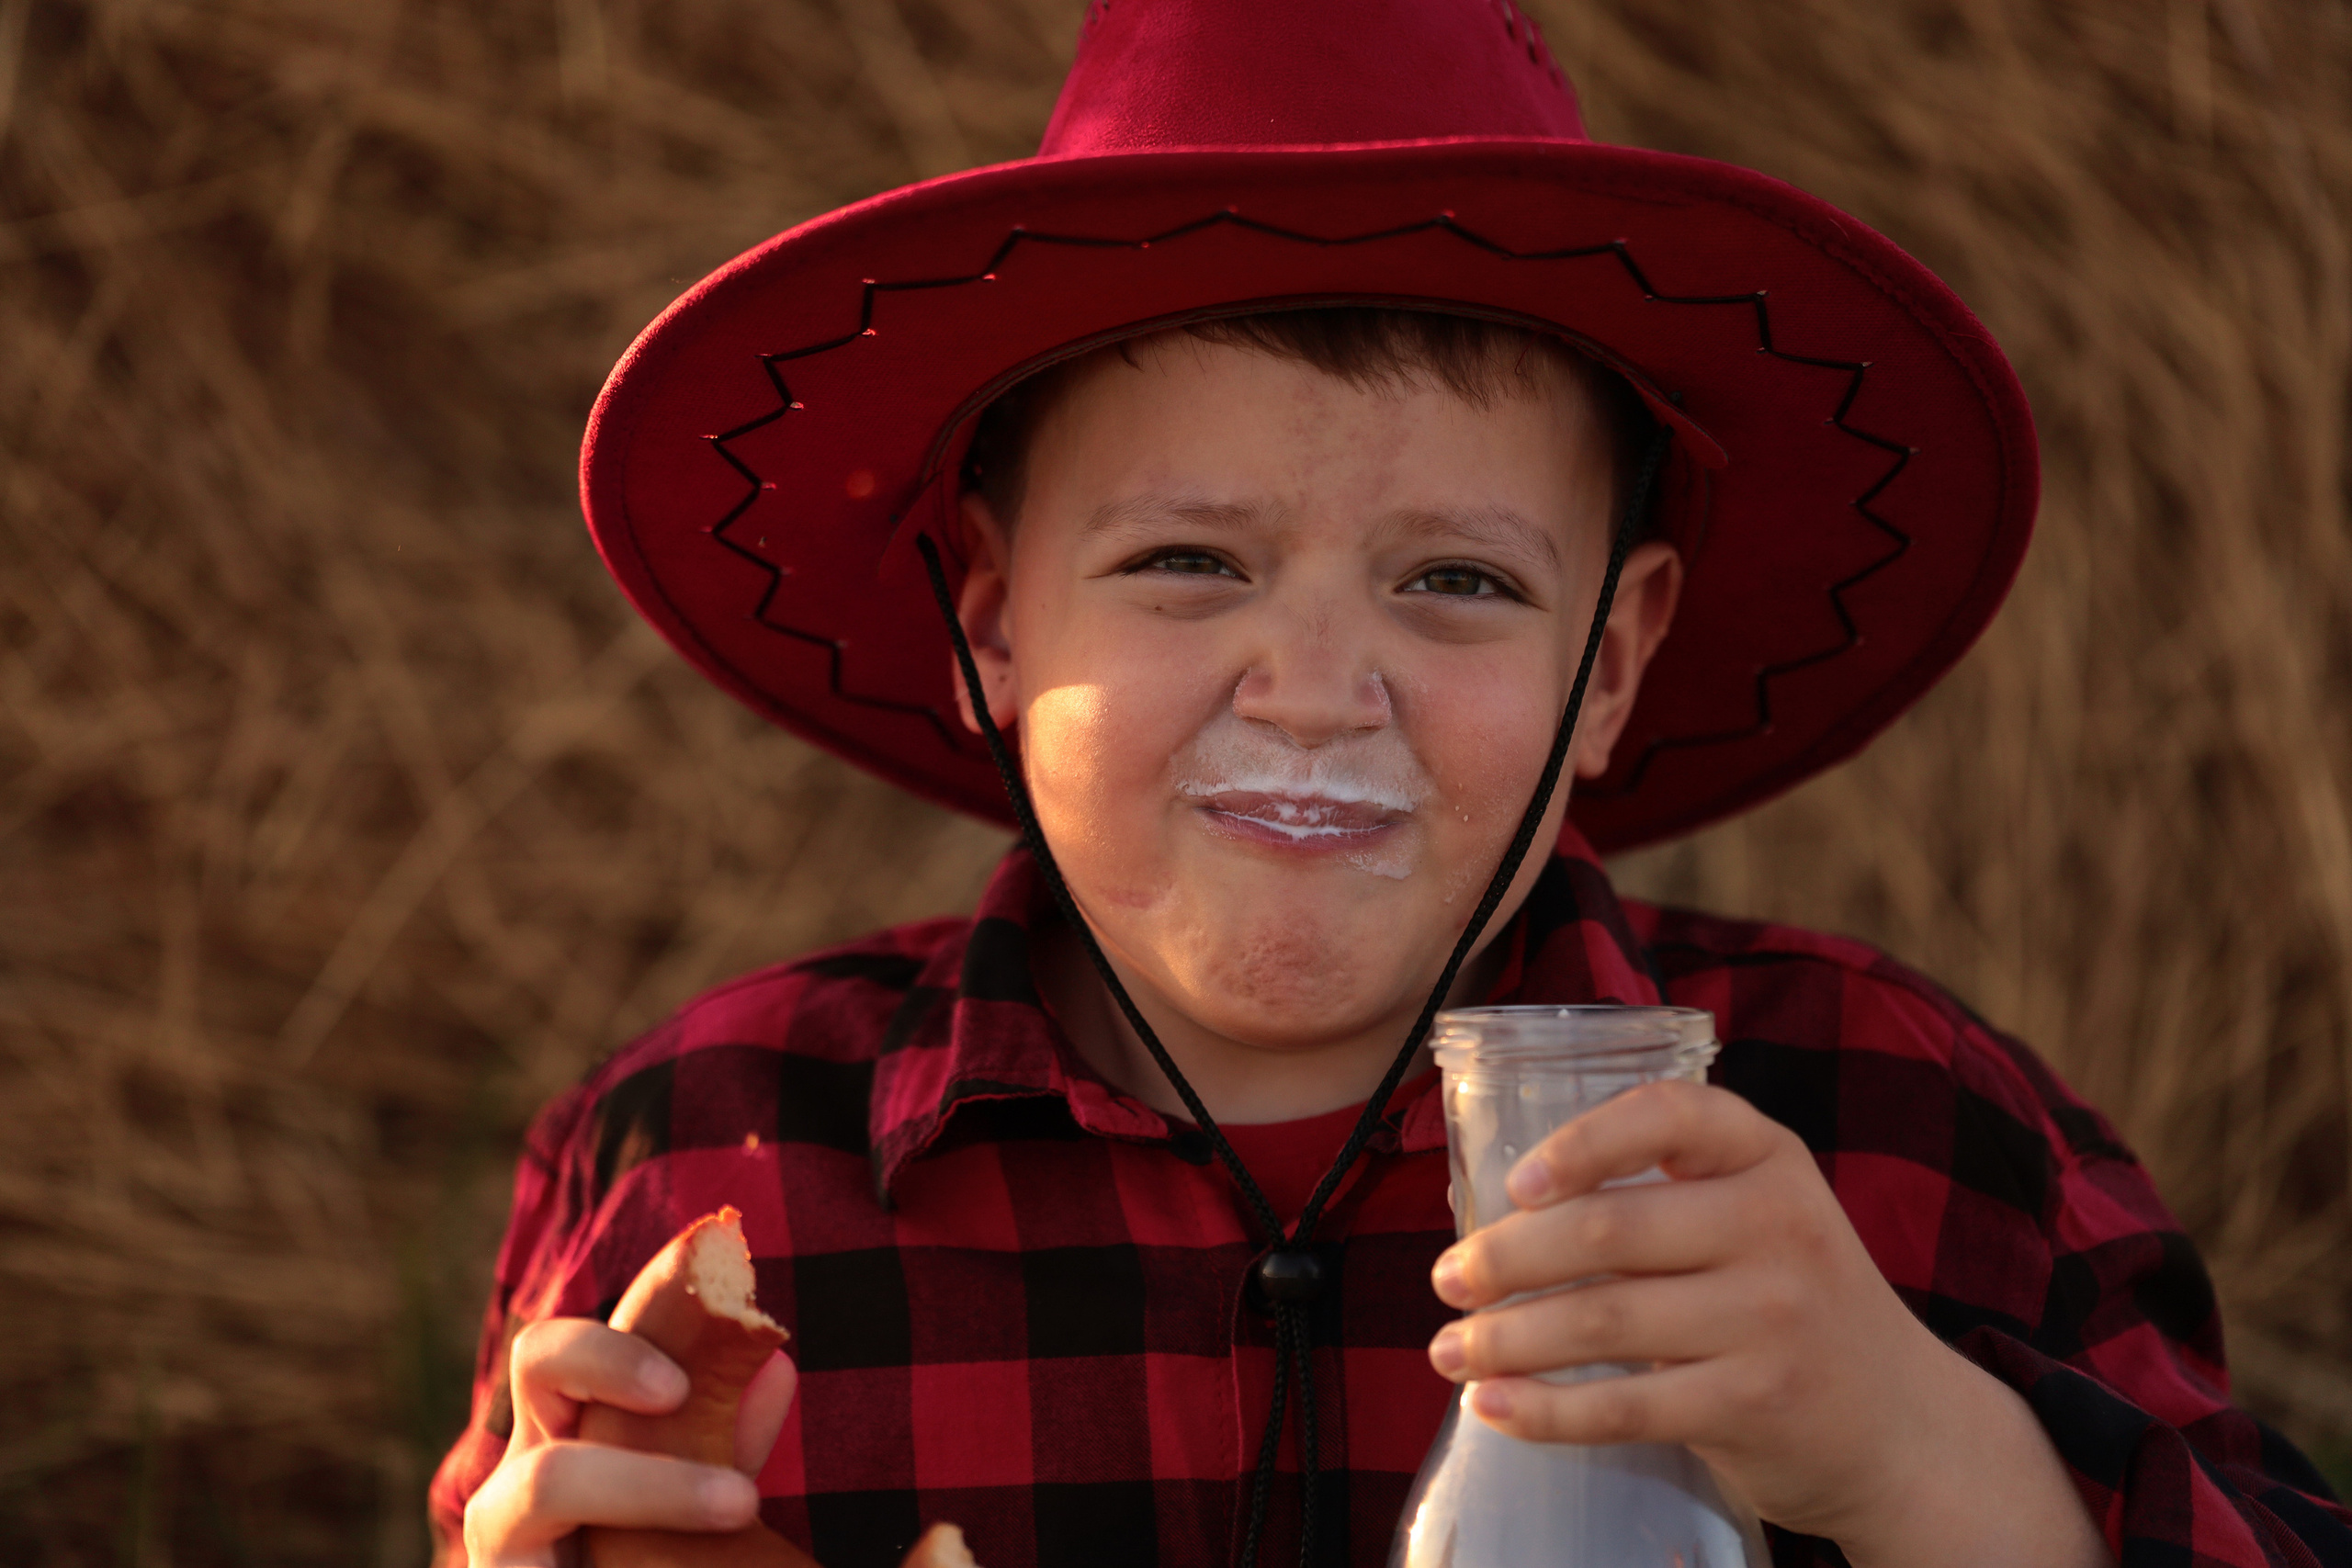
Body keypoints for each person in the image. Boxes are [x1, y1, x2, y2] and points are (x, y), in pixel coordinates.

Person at [429, 3, 2352, 1565]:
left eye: (1458, 583)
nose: (1314, 692)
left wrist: (1926, 1460)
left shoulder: (1907, 1133)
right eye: (1188, 561)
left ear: (1610, 663)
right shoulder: (699, 1159)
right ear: (994, 620)